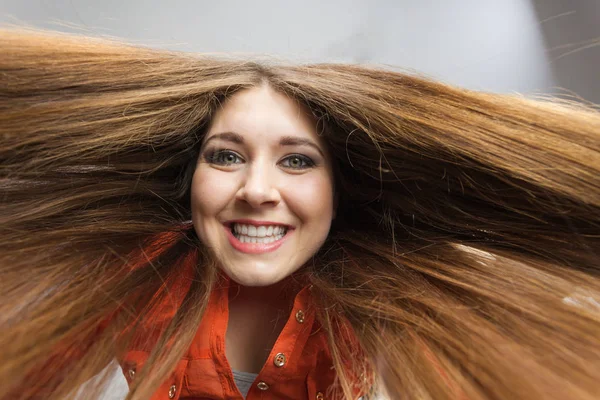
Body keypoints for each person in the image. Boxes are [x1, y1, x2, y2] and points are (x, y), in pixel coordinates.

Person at [1, 28, 599, 400]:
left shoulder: (400, 288)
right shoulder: (121, 274)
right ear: (191, 179)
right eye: (227, 155)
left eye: (297, 162)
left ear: (341, 188)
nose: (257, 190)